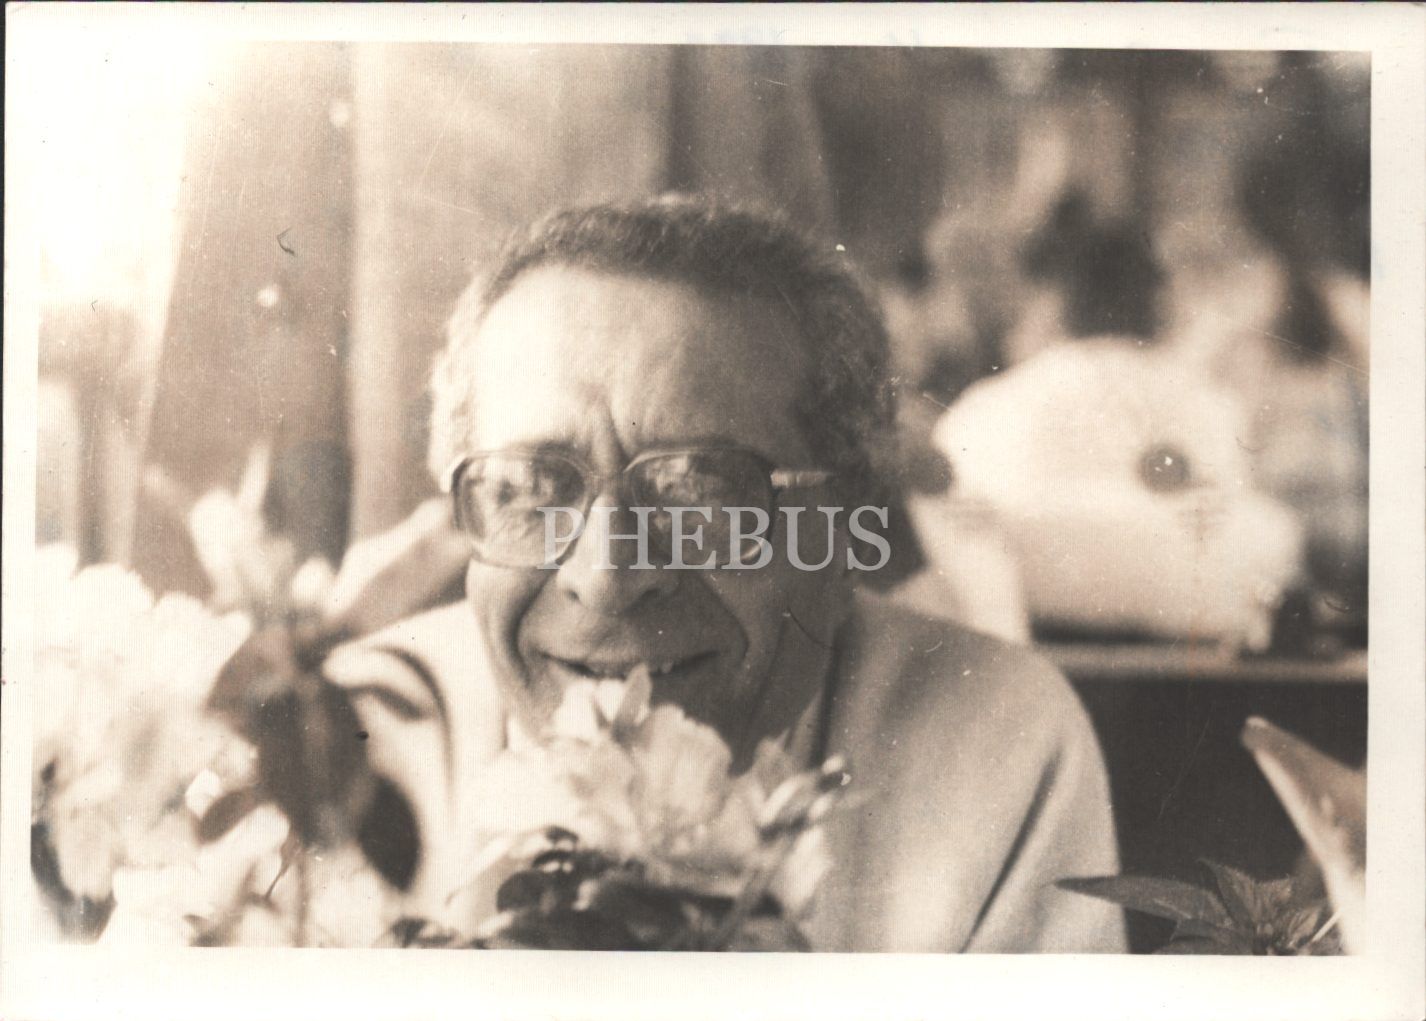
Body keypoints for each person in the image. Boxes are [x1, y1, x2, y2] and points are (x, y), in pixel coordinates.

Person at [328, 196, 1126, 953]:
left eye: (699, 490)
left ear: (846, 520)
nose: (606, 576)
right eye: (533, 487)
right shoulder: (353, 737)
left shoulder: (996, 744)